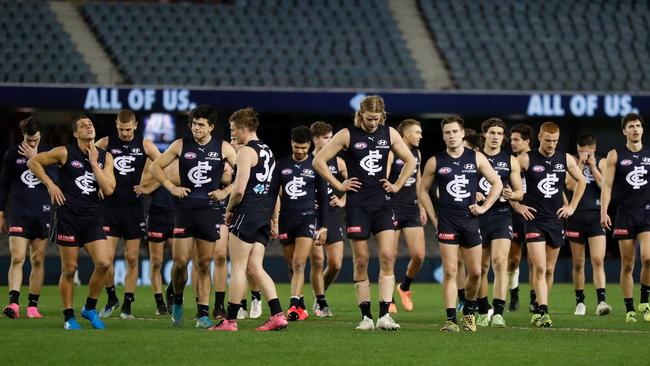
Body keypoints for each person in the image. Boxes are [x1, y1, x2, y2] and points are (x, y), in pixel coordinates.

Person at [313, 95, 416, 331]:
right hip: (357, 205)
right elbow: (319, 161)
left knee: (388, 257)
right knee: (361, 260)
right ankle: (366, 317)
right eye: (369, 119)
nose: (372, 123)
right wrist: (339, 186)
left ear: (382, 116)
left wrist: (397, 185)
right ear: (361, 115)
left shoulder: (389, 133)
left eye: (376, 119)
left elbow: (410, 161)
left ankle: (384, 316)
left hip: (383, 203)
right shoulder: (347, 134)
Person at [150, 105, 236, 328]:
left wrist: (225, 191)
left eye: (201, 125)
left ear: (211, 127)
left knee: (204, 264)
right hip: (184, 211)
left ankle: (203, 313)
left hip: (209, 211)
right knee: (180, 263)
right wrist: (170, 186)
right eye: (193, 124)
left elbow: (245, 174)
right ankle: (177, 301)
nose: (196, 128)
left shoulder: (224, 148)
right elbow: (155, 168)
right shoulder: (180, 144)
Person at [27, 115, 115, 330]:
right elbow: (33, 161)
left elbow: (109, 189)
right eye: (83, 125)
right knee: (69, 269)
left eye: (91, 124)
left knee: (104, 263)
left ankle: (90, 308)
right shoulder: (64, 152)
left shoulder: (105, 157)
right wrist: (50, 184)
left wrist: (94, 163)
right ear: (76, 134)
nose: (89, 126)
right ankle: (68, 317)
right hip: (68, 217)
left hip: (92, 218)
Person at [420, 115, 503, 333]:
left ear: (462, 133)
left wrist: (484, 207)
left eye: (455, 131)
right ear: (443, 136)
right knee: (450, 271)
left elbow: (497, 182)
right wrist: (433, 217)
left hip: (470, 221)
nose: (451, 136)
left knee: (475, 272)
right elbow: (422, 190)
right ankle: (450, 320)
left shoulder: (476, 158)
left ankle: (468, 309)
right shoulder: (435, 161)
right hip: (447, 221)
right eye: (447, 132)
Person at [210, 107, 288, 331]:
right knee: (255, 267)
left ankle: (230, 320)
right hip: (263, 212)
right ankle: (277, 315)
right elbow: (274, 189)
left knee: (238, 268)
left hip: (247, 212)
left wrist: (229, 210)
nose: (233, 134)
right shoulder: (268, 151)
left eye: (234, 130)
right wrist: (273, 219)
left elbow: (239, 190)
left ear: (244, 129)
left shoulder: (246, 152)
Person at [518, 121, 585, 328]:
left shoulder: (564, 158)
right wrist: (518, 206)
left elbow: (581, 181)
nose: (551, 145)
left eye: (555, 141)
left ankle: (539, 306)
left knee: (549, 268)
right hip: (534, 221)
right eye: (548, 140)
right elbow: (505, 182)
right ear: (539, 137)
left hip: (555, 221)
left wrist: (572, 207)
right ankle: (543, 311)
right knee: (538, 267)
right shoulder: (525, 159)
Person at [95, 110, 161, 319]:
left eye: (128, 129)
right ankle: (111, 297)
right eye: (121, 129)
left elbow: (164, 167)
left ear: (135, 126)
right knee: (106, 259)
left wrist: (149, 187)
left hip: (133, 208)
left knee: (131, 258)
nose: (124, 133)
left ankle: (127, 305)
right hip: (109, 208)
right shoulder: (105, 143)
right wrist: (96, 183)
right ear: (116, 125)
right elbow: (88, 163)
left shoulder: (146, 145)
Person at [1, 116, 54, 319]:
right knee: (17, 257)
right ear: (23, 136)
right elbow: (4, 184)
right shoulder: (12, 153)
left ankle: (33, 306)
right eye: (29, 140)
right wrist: (1, 213)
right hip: (19, 212)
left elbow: (54, 181)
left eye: (36, 140)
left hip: (41, 211)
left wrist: (36, 158)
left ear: (41, 136)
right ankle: (13, 304)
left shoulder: (49, 153)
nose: (32, 143)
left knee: (38, 258)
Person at [273, 126, 328, 321]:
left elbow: (323, 199)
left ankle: (293, 305)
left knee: (299, 263)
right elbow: (273, 194)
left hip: (307, 218)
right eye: (297, 147)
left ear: (310, 145)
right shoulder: (280, 165)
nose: (300, 151)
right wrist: (274, 220)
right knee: (291, 264)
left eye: (304, 148)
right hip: (286, 220)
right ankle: (302, 306)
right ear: (291, 144)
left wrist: (324, 225)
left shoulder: (316, 166)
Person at [600, 112, 650, 323]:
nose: (635, 129)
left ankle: (645, 301)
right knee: (628, 264)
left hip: (646, 212)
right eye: (631, 126)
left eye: (638, 125)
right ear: (624, 131)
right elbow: (607, 185)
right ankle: (629, 308)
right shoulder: (615, 154)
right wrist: (604, 211)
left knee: (648, 258)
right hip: (624, 213)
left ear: (642, 129)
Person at [474, 118, 524, 328]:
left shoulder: (511, 160)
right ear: (484, 134)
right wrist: (472, 193)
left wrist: (513, 194)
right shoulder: (474, 157)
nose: (496, 137)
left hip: (502, 215)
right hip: (477, 215)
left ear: (503, 138)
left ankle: (499, 313)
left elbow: (521, 192)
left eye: (499, 133)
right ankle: (484, 310)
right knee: (481, 267)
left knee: (500, 262)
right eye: (492, 132)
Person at [565, 133, 612, 316]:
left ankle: (601, 301)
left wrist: (592, 167)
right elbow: (569, 185)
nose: (583, 154)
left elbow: (605, 186)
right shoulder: (573, 163)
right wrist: (580, 164)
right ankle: (580, 301)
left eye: (586, 152)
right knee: (578, 263)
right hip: (576, 216)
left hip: (595, 215)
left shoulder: (602, 162)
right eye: (580, 152)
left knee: (598, 260)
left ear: (593, 149)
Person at [386, 119, 426, 312]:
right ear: (406, 134)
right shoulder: (391, 152)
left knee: (419, 255)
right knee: (390, 255)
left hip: (411, 207)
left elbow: (418, 182)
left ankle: (404, 287)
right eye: (417, 132)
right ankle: (389, 298)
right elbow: (383, 178)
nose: (420, 136)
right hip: (392, 206)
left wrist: (423, 207)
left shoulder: (417, 153)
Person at [308, 121, 346, 317]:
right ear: (315, 139)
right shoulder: (307, 161)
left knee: (336, 263)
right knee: (317, 259)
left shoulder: (338, 162)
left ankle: (318, 294)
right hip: (312, 216)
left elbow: (350, 184)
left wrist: (342, 200)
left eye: (331, 137)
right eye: (326, 138)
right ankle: (321, 301)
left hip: (331, 214)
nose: (330, 141)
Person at [137, 160, 179, 315]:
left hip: (176, 214)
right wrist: (161, 176)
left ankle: (172, 290)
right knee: (156, 262)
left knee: (180, 261)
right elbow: (143, 187)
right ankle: (159, 301)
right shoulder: (151, 164)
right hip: (156, 216)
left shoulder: (178, 163)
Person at [506, 123, 534, 311]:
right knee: (513, 259)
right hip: (516, 213)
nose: (512, 143)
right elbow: (507, 188)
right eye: (512, 139)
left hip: (536, 213)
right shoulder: (511, 161)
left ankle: (535, 300)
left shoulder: (534, 159)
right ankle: (514, 295)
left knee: (536, 260)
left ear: (527, 141)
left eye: (517, 139)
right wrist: (516, 205)